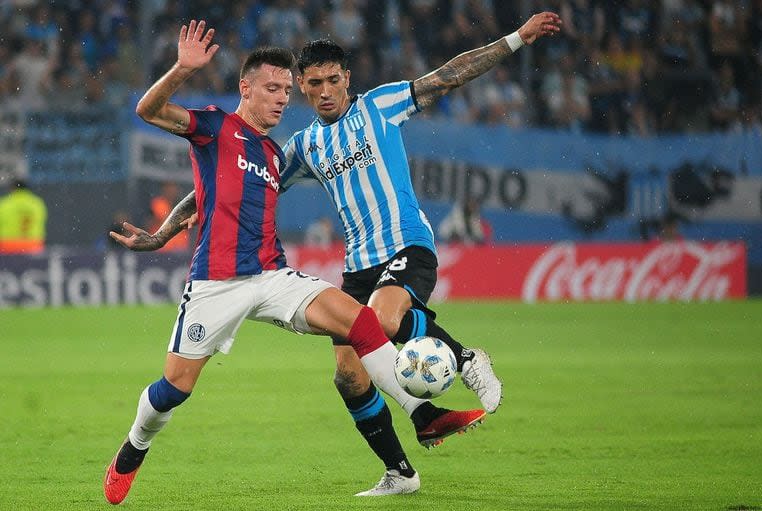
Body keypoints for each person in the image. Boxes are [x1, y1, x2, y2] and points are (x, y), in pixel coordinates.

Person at [135, 9, 560, 457]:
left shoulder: (380, 105)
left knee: (380, 320)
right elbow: (229, 184)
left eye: (332, 80)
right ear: (302, 85)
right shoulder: (302, 147)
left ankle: (465, 358)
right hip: (358, 264)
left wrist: (515, 38)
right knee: (349, 375)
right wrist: (165, 230)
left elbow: (449, 76)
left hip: (405, 242)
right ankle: (399, 471)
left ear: (346, 78)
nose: (324, 92)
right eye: (313, 84)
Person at [103, 21, 466, 504]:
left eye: (286, 91)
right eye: (272, 89)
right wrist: (182, 70)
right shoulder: (215, 127)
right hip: (216, 283)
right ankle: (133, 448)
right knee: (175, 388)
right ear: (245, 88)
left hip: (273, 276)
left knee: (360, 321)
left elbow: (204, 198)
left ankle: (424, 416)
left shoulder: (276, 156)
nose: (281, 99)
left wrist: (164, 231)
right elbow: (150, 113)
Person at [0, 177, 48, 255]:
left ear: (13, 188)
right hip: (33, 245)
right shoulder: (37, 203)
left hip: (7, 245)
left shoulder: (4, 203)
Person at [147, 181, 189, 253]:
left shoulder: (181, 203)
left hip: (179, 249)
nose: (171, 190)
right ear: (163, 189)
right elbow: (165, 220)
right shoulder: (158, 203)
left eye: (173, 187)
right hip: (162, 248)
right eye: (169, 187)